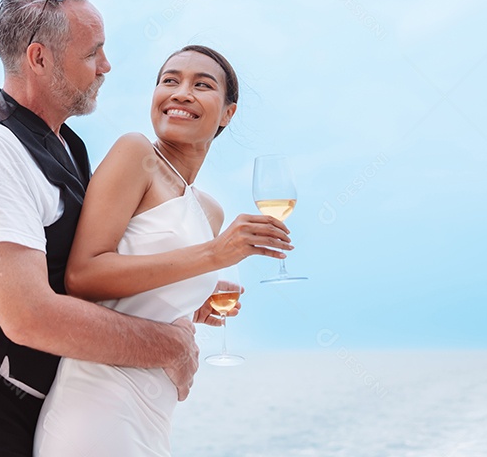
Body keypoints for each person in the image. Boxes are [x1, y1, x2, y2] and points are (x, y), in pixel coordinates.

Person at [0, 0, 203, 457]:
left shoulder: (65, 145)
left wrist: (184, 294)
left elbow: (75, 274)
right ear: (39, 59)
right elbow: (29, 316)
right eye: (91, 54)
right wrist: (168, 347)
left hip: (20, 401)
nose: (106, 66)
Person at [34, 45, 293, 457]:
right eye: (169, 81)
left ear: (228, 113)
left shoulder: (209, 209)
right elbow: (83, 278)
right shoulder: (136, 154)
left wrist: (194, 304)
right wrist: (214, 255)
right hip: (98, 401)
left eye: (201, 85)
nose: (181, 92)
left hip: (154, 408)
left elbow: (142, 294)